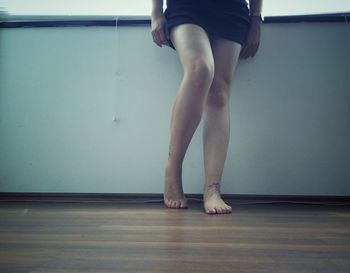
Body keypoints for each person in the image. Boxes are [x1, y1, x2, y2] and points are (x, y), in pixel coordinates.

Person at [151, 0, 263, 214]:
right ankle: (173, 169)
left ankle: (212, 188)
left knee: (220, 92)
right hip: (187, 7)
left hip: (232, 9)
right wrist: (156, 13)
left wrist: (256, 18)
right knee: (200, 69)